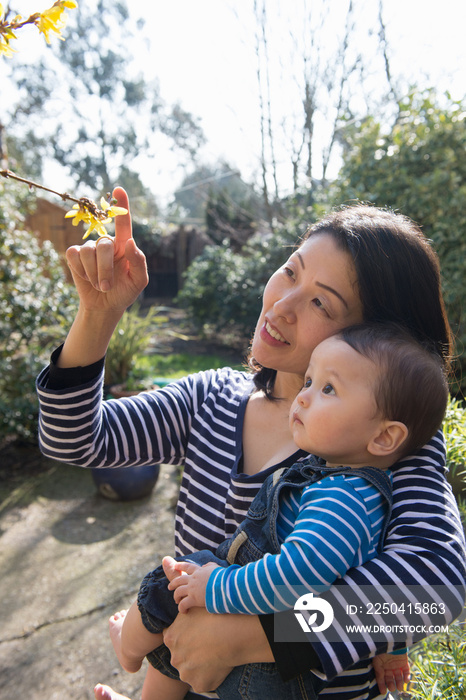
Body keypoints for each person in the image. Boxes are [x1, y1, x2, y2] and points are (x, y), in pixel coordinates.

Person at [36, 191, 466, 700]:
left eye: (321, 302)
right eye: (290, 271)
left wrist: (258, 637)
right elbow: (75, 439)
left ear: (376, 339)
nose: (281, 306)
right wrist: (98, 315)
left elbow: (431, 592)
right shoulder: (211, 399)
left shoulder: (377, 443)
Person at [106, 322, 448, 700]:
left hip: (275, 672)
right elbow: (379, 567)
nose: (303, 398)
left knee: (171, 582)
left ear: (385, 437)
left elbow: (297, 575)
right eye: (308, 382)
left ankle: (130, 644)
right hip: (279, 659)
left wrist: (215, 588)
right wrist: (392, 648)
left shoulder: (342, 497)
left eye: (328, 389)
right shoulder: (341, 477)